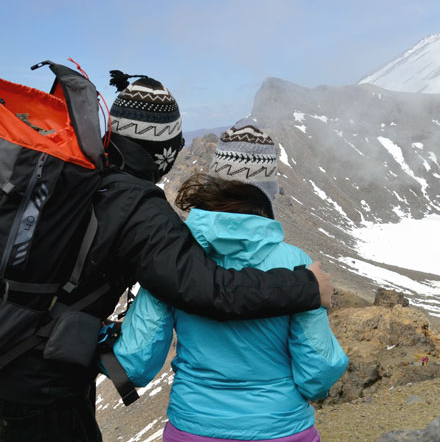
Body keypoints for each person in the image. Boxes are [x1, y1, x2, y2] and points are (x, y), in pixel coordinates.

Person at [0, 73, 333, 442]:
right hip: (34, 395)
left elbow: (136, 360)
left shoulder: (71, 180)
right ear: (160, 151)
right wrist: (305, 285)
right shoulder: (138, 206)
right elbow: (206, 287)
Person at [112, 119, 348, 441]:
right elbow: (318, 374)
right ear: (268, 191)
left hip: (193, 428)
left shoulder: (175, 260)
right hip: (282, 429)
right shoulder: (297, 264)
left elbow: (136, 363)